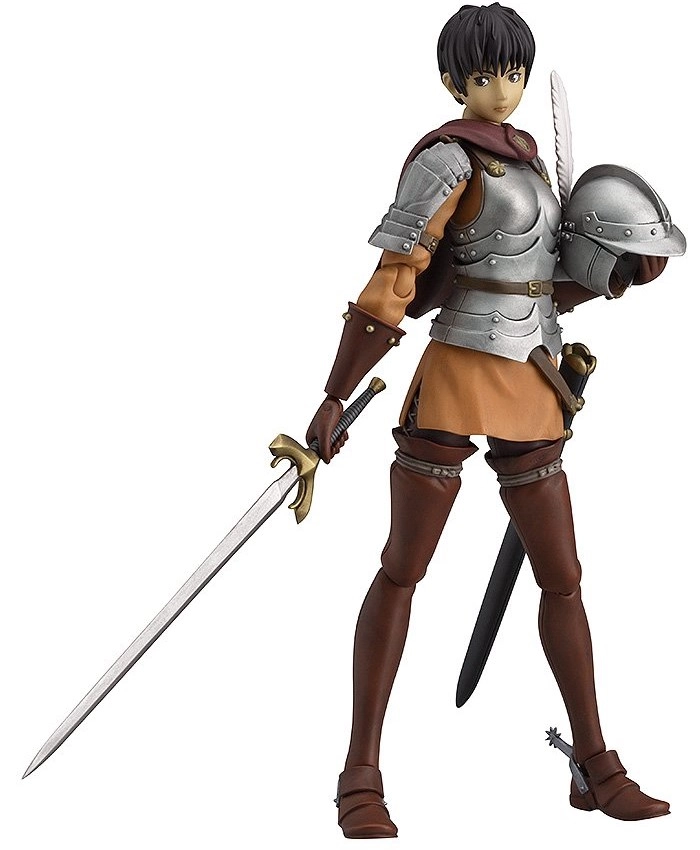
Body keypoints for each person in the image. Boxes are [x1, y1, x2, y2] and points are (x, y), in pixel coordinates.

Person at [306, 3, 684, 838]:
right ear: (455, 81)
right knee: (402, 570)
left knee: (564, 576)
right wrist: (335, 393)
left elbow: (542, 284)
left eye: (513, 73)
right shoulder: (444, 161)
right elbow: (395, 282)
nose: (503, 90)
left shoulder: (534, 166)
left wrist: (620, 272)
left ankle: (593, 764)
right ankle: (360, 773)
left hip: (531, 381)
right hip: (454, 376)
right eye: (486, 76)